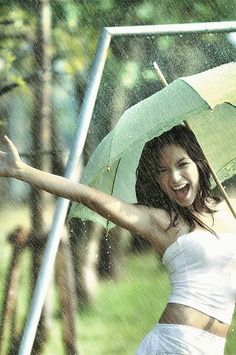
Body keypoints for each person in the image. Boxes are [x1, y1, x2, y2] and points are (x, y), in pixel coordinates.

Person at [0, 124, 235, 354]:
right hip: (175, 345)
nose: (174, 177)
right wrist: (21, 170)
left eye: (182, 164)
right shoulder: (160, 221)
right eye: (162, 171)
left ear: (200, 164)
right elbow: (90, 197)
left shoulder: (229, 211)